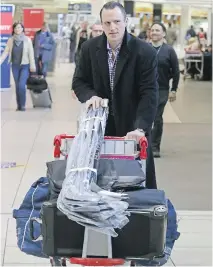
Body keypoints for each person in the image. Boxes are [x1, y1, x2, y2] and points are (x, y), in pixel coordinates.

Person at [72, 1, 158, 189]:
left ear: (126, 21)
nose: (113, 27)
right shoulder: (89, 49)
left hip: (132, 127)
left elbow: (149, 93)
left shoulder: (144, 52)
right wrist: (90, 96)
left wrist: (140, 128)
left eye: (117, 21)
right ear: (102, 24)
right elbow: (79, 82)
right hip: (100, 127)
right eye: (107, 23)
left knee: (136, 182)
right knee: (100, 182)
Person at [150, 23, 180, 158]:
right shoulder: (144, 48)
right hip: (144, 89)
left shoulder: (169, 51)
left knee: (156, 116)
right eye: (152, 30)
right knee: (142, 117)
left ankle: (154, 147)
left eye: (157, 30)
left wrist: (173, 89)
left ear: (163, 34)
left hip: (161, 89)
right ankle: (142, 144)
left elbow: (176, 71)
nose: (154, 32)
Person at [0, 22, 36, 111]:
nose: (17, 29)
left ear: (22, 29)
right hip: (15, 66)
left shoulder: (27, 40)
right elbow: (6, 52)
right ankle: (19, 105)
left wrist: (32, 65)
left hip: (25, 66)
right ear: (14, 30)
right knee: (17, 86)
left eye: (19, 28)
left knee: (21, 85)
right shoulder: (10, 40)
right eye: (16, 28)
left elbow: (31, 54)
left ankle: (23, 105)